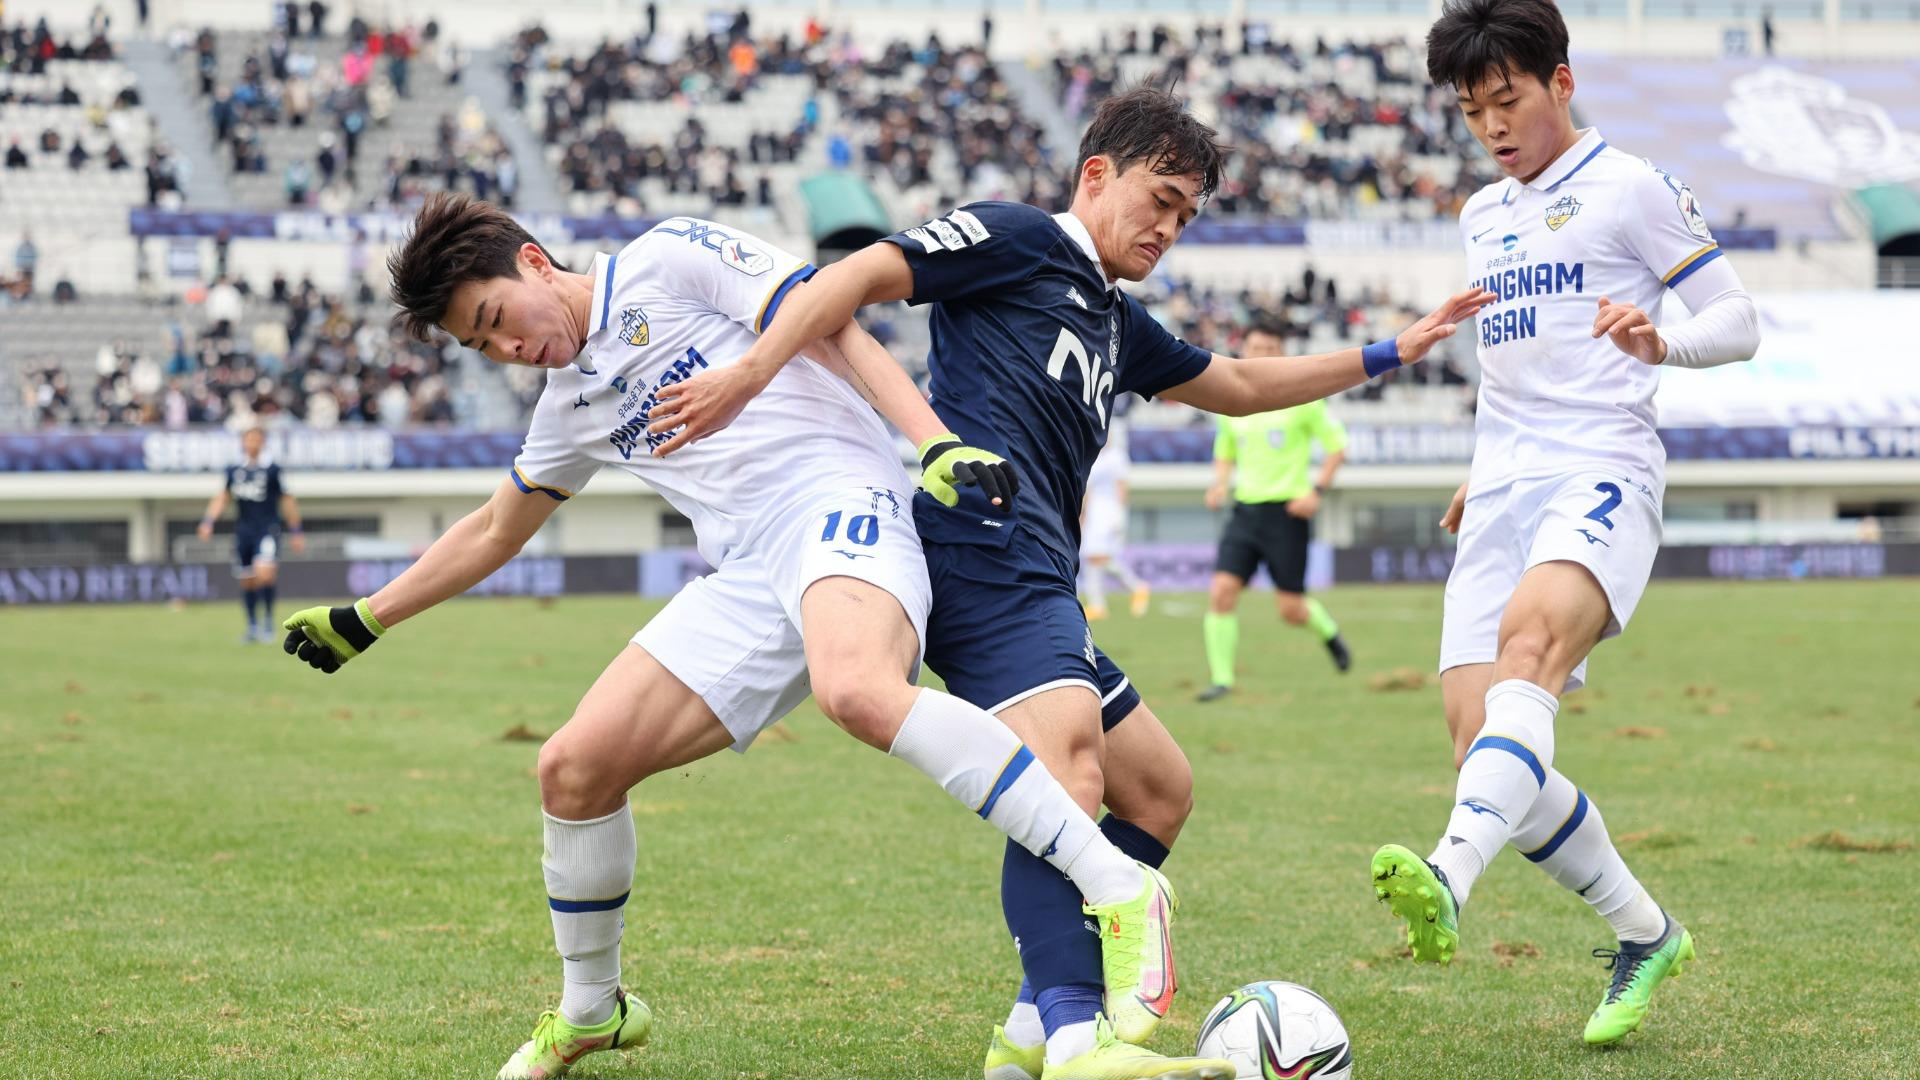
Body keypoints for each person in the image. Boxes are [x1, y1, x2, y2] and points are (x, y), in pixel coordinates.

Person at [645, 86, 1490, 1079]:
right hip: (977, 554)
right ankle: (1080, 1035)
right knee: (1069, 780)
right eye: (1159, 198)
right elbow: (855, 280)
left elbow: (1241, 389)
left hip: (1041, 574)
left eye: (1185, 214)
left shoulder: (1113, 318)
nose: (1169, 226)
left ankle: (1025, 1036)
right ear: (1097, 174)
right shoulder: (1015, 238)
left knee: (1159, 791)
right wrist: (748, 377)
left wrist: (1393, 350)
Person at [278, 193, 1177, 1080]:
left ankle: (1116, 881)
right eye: (483, 346)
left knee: (858, 691)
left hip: (842, 500)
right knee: (572, 769)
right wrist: (367, 617)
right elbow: (492, 531)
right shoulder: (567, 409)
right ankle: (594, 1010)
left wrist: (932, 442)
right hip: (750, 573)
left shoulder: (667, 259)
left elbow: (832, 324)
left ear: (532, 264)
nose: (508, 349)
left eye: (496, 319)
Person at [1368, 0, 1760, 1047]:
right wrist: (1476, 468)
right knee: (1479, 741)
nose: (1493, 125)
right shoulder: (1481, 214)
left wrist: (1660, 344)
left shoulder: (1632, 188)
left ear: (1561, 82)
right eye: (1472, 110)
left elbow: (1738, 318)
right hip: (1502, 483)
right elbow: (1510, 361)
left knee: (1526, 654)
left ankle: (1448, 877)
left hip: (1602, 465)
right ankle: (1646, 932)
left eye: (1509, 100)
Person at [1197, 320, 1352, 702]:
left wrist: (1316, 491)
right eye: (1255, 348)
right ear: (1243, 350)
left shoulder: (1304, 400)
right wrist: (1219, 484)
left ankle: (1330, 635)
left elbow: (1337, 446)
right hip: (1246, 511)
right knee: (1221, 592)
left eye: (1269, 348)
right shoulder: (1231, 403)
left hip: (1288, 513)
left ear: (1280, 352)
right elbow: (1225, 452)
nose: (1262, 355)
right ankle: (1222, 681)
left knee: (1291, 610)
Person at [198, 426, 305, 642]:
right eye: (249, 439)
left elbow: (287, 499)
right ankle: (252, 626)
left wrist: (296, 531)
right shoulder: (235, 470)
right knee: (247, 580)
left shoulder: (273, 470)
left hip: (267, 529)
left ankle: (268, 623)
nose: (252, 443)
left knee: (264, 573)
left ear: (263, 442)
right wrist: (208, 521)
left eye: (257, 439)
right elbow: (223, 496)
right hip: (244, 531)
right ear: (243, 443)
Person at [1078, 394, 1150, 621]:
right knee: (1092, 556)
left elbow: (1121, 487)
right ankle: (1100, 603)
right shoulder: (1092, 457)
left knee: (1097, 556)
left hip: (1109, 510)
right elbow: (1087, 490)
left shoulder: (1116, 457)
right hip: (1095, 510)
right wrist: (1083, 515)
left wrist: (1119, 514)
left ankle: (1135, 587)